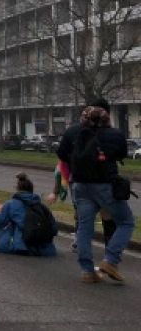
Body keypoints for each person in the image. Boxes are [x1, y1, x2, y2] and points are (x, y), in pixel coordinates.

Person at [57, 100, 135, 284]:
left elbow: (61, 154)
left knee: (84, 228)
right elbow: (121, 154)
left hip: (80, 186)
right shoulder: (114, 134)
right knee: (126, 222)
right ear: (106, 114)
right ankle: (110, 260)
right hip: (105, 185)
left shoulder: (72, 132)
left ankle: (87, 271)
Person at [0, 173, 57, 257]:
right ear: (32, 190)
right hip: (46, 249)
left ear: (17, 189)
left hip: (22, 247)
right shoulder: (43, 207)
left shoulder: (11, 204)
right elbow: (54, 229)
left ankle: (5, 243)